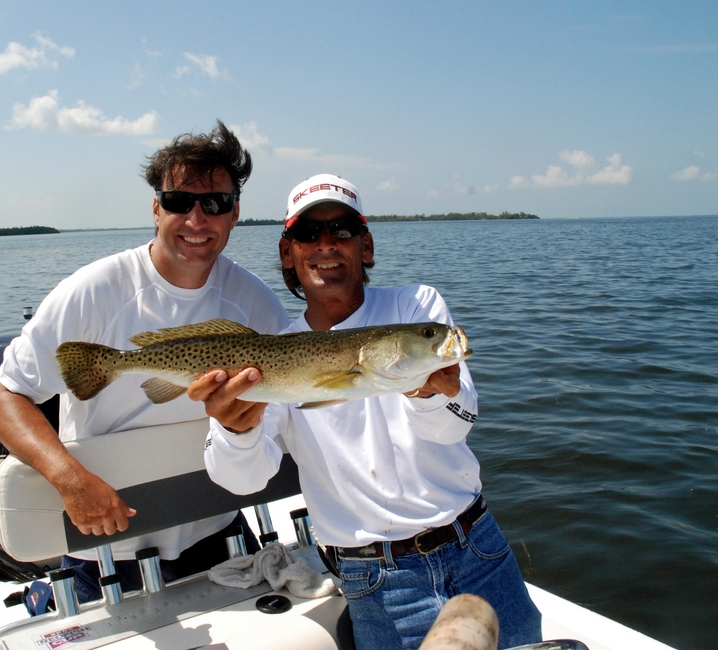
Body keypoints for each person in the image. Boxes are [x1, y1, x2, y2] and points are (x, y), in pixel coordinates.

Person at [194, 174, 542, 649]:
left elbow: (451, 428)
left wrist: (426, 393)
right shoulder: (270, 356)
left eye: (342, 230)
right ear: (287, 253)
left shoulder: (417, 308)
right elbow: (242, 480)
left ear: (367, 245)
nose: (326, 244)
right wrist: (235, 429)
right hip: (376, 579)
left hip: (477, 548)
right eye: (307, 233)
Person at [0, 121, 289, 602]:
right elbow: (2, 398)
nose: (196, 219)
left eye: (215, 203)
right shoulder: (92, 291)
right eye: (179, 201)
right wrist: (69, 479)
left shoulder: (257, 303)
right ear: (156, 208)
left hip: (219, 529)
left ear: (235, 214)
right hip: (106, 544)